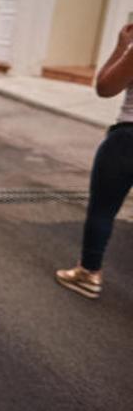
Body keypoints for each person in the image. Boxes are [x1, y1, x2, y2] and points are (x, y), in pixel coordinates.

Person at [56, 23, 133, 299]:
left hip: (127, 140)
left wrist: (122, 47)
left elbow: (105, 86)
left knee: (103, 209)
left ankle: (88, 273)